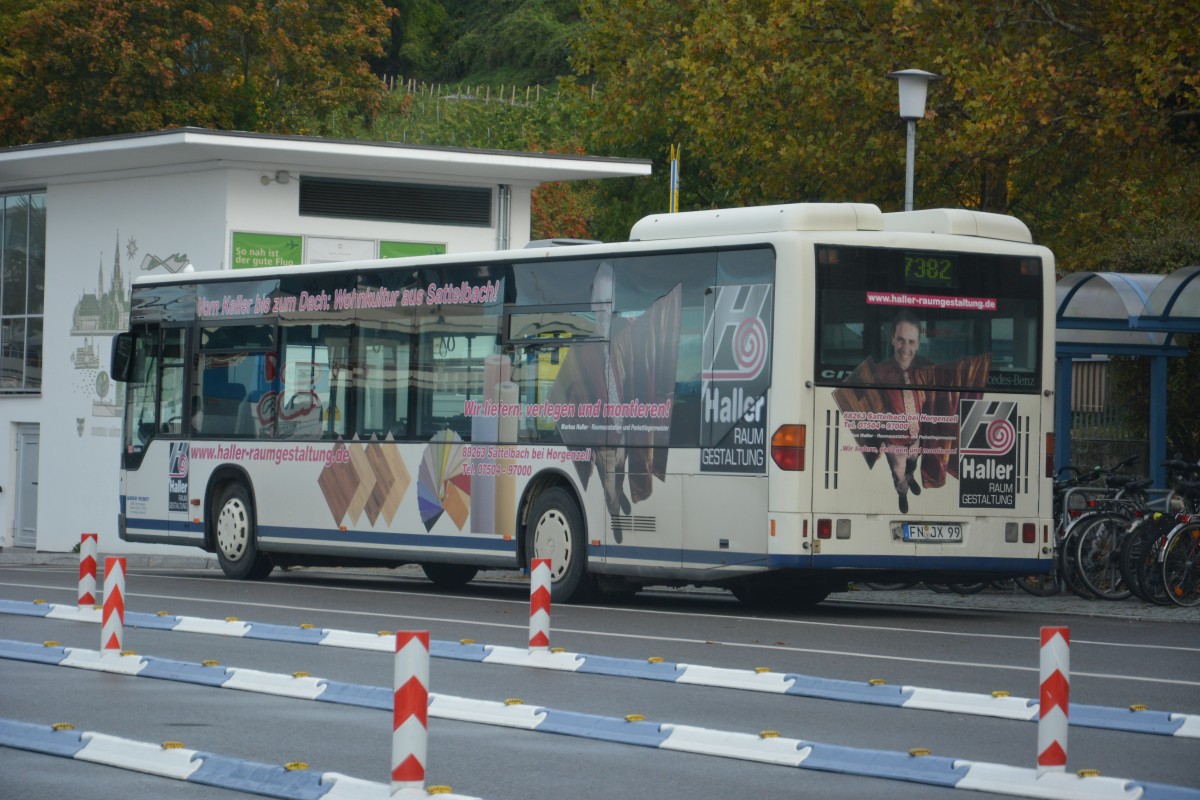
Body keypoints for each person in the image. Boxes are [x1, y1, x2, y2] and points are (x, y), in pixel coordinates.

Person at [873, 310, 932, 513]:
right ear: (892, 339)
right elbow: (871, 409)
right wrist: (875, 443)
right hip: (894, 442)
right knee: (898, 474)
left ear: (918, 343)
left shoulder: (926, 369)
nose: (905, 348)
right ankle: (902, 492)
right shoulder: (879, 373)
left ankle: (911, 477)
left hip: (918, 438)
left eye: (911, 342)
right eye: (901, 340)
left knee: (913, 463)